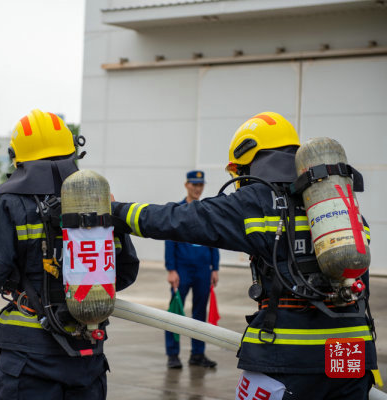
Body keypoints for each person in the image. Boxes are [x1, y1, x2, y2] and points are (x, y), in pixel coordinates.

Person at [112, 112, 377, 399]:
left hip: (290, 358)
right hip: (352, 353)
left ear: (248, 159)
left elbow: (179, 219)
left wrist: (114, 212)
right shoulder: (340, 205)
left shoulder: (258, 201)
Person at [0, 109, 139, 399]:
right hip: (87, 357)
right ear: (73, 151)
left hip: (29, 360)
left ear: (17, 157)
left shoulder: (12, 203)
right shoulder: (96, 201)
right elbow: (125, 273)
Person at [165, 170, 220, 369]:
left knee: (199, 313)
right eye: (194, 185)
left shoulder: (206, 211)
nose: (197, 189)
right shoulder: (178, 210)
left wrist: (215, 268)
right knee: (175, 313)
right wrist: (171, 269)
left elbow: (214, 239)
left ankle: (197, 354)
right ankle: (173, 355)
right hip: (182, 270)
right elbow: (169, 240)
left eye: (200, 185)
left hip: (203, 270)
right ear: (186, 185)